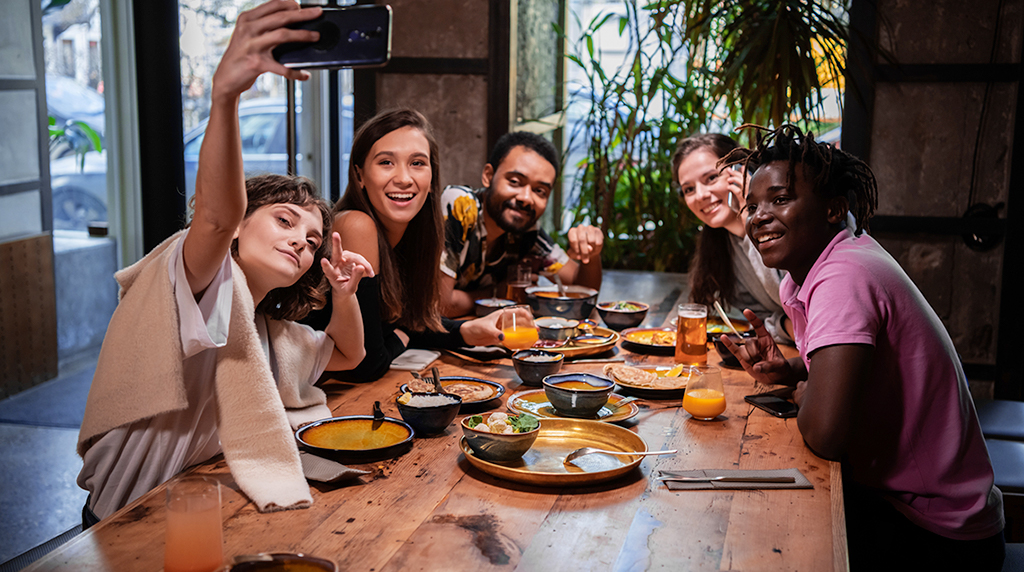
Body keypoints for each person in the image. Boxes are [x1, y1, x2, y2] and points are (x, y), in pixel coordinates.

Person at [77, 0, 373, 523]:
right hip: (119, 518)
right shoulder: (194, 281)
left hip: (184, 505)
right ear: (241, 223)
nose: (302, 243)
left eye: (312, 239)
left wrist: (344, 296)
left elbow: (349, 354)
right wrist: (226, 97)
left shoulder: (260, 329)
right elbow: (214, 220)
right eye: (284, 221)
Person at [722, 125, 1005, 570]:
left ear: (835, 208)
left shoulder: (843, 276)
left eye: (780, 199)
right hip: (918, 503)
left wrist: (807, 394)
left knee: (754, 539)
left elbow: (825, 434)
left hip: (938, 531)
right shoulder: (825, 266)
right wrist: (795, 372)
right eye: (752, 206)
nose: (758, 217)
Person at [328, 108, 510, 382]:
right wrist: (404, 337)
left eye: (417, 163)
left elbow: (412, 323)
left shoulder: (414, 233)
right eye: (386, 162)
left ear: (432, 176)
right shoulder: (356, 225)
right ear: (359, 175)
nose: (404, 178)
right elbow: (365, 364)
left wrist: (465, 332)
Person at [439, 132, 604, 317]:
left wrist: (593, 254)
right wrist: (500, 293)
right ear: (488, 176)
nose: (526, 198)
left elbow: (582, 291)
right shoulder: (460, 205)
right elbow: (439, 305)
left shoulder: (527, 232)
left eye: (539, 191)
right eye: (515, 182)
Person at [672, 133, 791, 344]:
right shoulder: (722, 249)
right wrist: (785, 326)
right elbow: (763, 320)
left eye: (711, 178)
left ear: (741, 172)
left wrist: (752, 220)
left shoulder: (791, 223)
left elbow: (793, 301)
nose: (700, 195)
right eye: (689, 189)